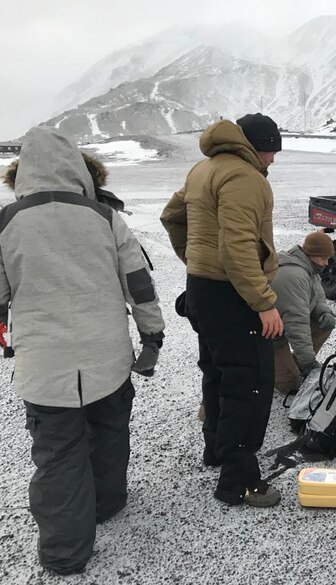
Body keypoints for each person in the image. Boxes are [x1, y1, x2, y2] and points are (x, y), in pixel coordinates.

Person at [0, 126, 165, 575]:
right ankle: (106, 503)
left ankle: (64, 553)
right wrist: (151, 336)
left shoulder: (7, 222)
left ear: (22, 173)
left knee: (58, 453)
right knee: (109, 430)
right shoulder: (105, 218)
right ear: (79, 169)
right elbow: (139, 285)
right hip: (107, 356)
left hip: (44, 366)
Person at [160, 113, 283, 508]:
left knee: (217, 373)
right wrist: (264, 303)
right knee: (249, 383)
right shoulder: (245, 177)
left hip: (203, 291)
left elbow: (171, 216)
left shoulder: (204, 169)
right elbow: (236, 247)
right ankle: (239, 481)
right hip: (234, 295)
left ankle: (215, 449)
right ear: (255, 146)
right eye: (271, 150)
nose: (273, 159)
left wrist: (196, 261)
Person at [272, 231, 336, 393]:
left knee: (324, 323)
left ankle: (297, 363)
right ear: (311, 254)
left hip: (283, 324)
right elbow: (297, 325)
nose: (326, 263)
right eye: (323, 258)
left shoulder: (310, 267)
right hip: (270, 335)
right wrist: (309, 362)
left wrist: (324, 312)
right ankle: (266, 368)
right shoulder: (294, 276)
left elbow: (317, 295)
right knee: (290, 385)